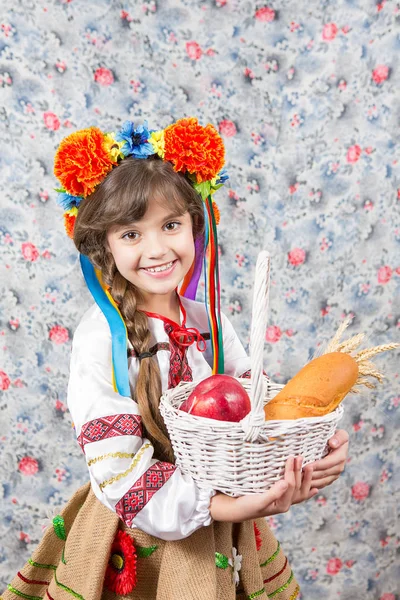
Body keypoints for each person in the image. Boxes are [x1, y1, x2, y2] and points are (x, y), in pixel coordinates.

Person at [1, 118, 349, 600]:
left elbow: (256, 415)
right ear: (103, 244)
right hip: (139, 534)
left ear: (195, 226)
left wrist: (307, 448)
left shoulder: (209, 321)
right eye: (131, 234)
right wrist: (230, 505)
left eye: (170, 225)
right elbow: (118, 469)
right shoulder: (102, 337)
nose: (157, 249)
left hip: (224, 528)